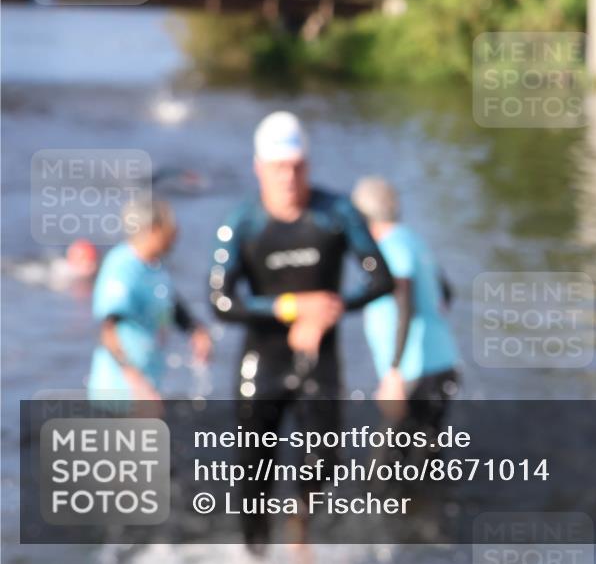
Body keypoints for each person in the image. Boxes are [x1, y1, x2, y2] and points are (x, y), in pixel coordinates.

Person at [208, 111, 394, 554]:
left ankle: (299, 535)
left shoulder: (337, 213)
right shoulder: (242, 222)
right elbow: (219, 300)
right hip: (262, 359)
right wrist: (290, 307)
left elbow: (381, 279)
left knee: (324, 459)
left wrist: (329, 309)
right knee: (254, 469)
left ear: (308, 164)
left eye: (297, 167)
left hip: (319, 357)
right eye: (279, 168)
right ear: (259, 168)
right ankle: (254, 554)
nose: (289, 178)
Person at [350, 177, 459, 433]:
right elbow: (447, 293)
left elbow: (405, 307)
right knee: (423, 454)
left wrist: (393, 374)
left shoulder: (390, 249)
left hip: (414, 372)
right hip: (442, 363)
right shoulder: (411, 239)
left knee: (385, 457)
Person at [88, 200, 212, 401]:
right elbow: (108, 330)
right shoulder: (122, 266)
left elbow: (169, 302)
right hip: (119, 389)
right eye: (171, 228)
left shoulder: (155, 267)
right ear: (153, 229)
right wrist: (135, 380)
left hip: (149, 381)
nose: (176, 234)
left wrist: (195, 330)